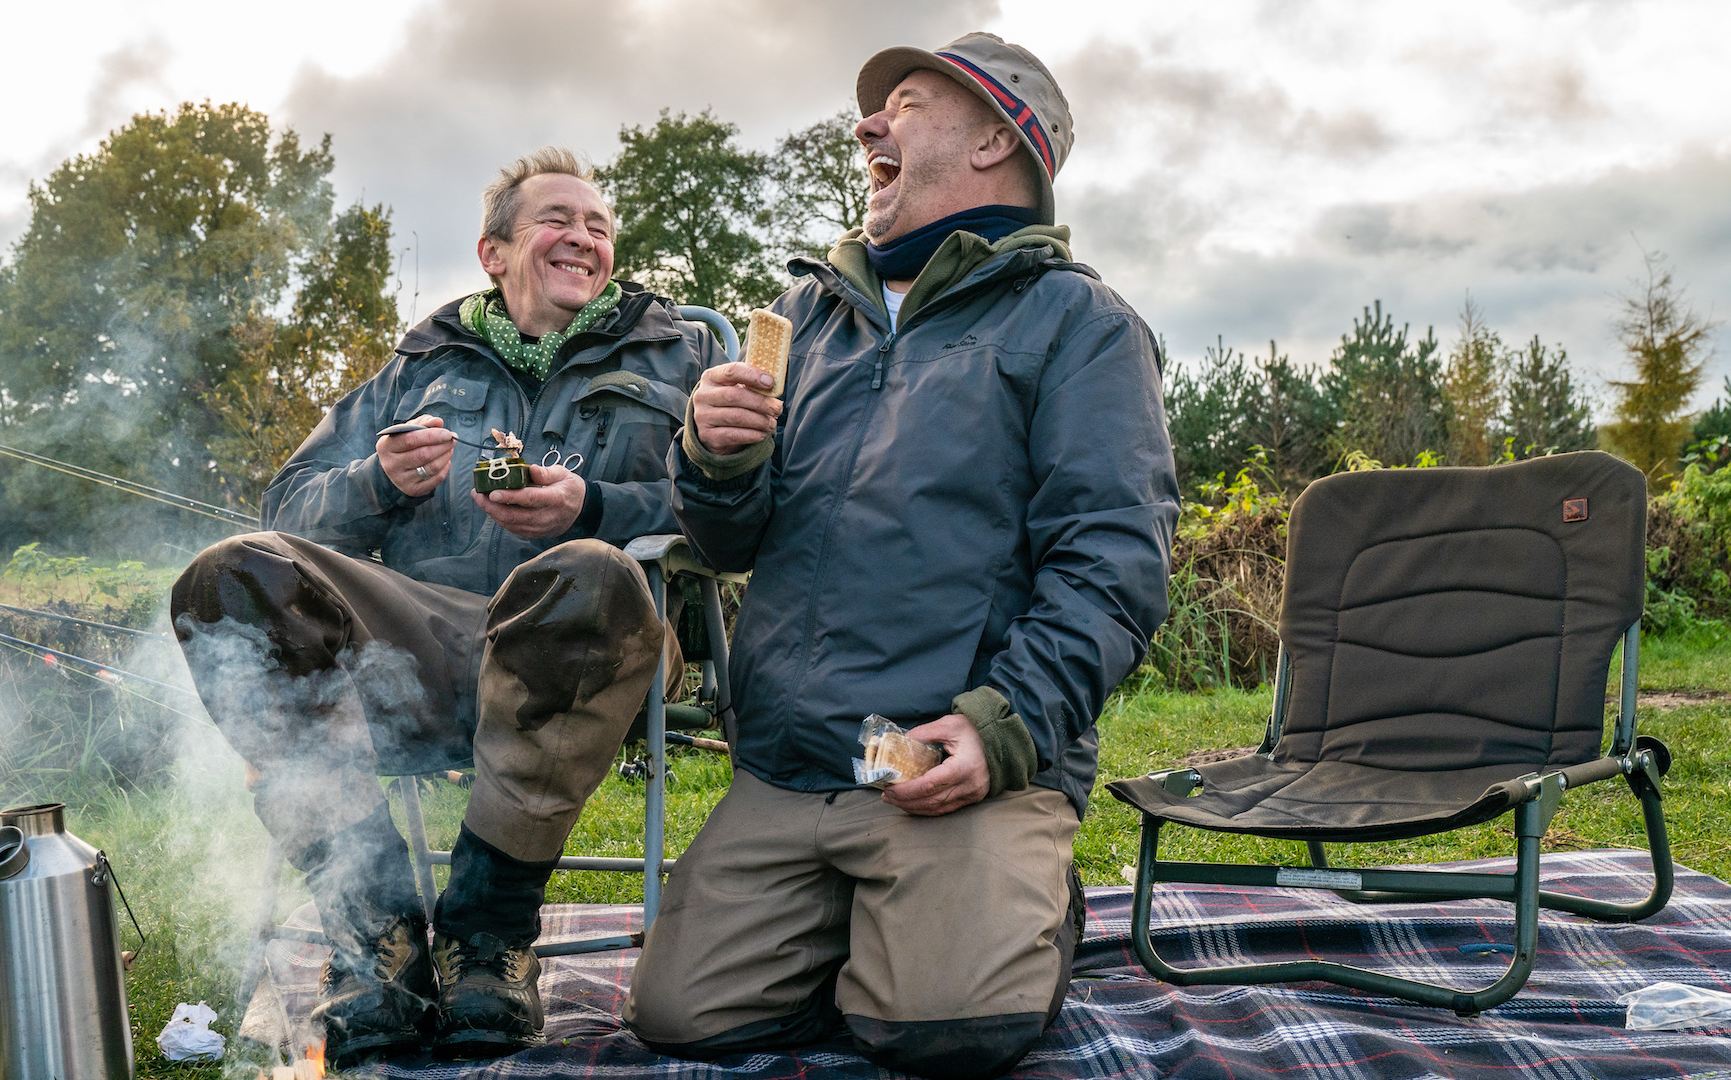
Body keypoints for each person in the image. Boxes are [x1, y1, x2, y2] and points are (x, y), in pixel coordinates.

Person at [622, 32, 1178, 1079]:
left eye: (909, 104)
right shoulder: (801, 319)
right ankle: (870, 921)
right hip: (796, 759)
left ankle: (1020, 907)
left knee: (941, 1028)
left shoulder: (1080, 326)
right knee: (679, 1018)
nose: (870, 122)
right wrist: (714, 459)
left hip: (937, 750)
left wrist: (1001, 727)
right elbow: (729, 541)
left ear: (994, 144)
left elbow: (1113, 562)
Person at [169, 148, 717, 1065]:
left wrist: (597, 511)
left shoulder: (682, 354)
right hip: (430, 639)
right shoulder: (416, 366)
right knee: (231, 573)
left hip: (597, 642)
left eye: (600, 225)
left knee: (587, 568)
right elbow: (287, 509)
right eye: (557, 219)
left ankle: (486, 937)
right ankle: (376, 930)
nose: (584, 236)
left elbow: (736, 510)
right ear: (494, 252)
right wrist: (374, 483)